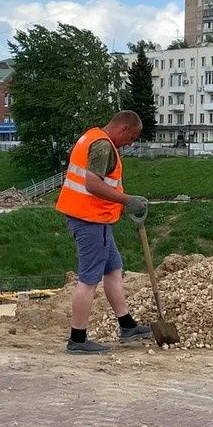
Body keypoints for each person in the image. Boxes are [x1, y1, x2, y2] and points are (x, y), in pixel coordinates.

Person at [55, 111, 152, 354]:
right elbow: (92, 183)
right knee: (89, 280)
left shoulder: (92, 137)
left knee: (113, 269)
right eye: (132, 137)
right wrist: (127, 200)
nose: (131, 143)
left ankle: (127, 325)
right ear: (124, 129)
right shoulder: (102, 146)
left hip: (95, 219)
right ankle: (77, 339)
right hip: (89, 219)